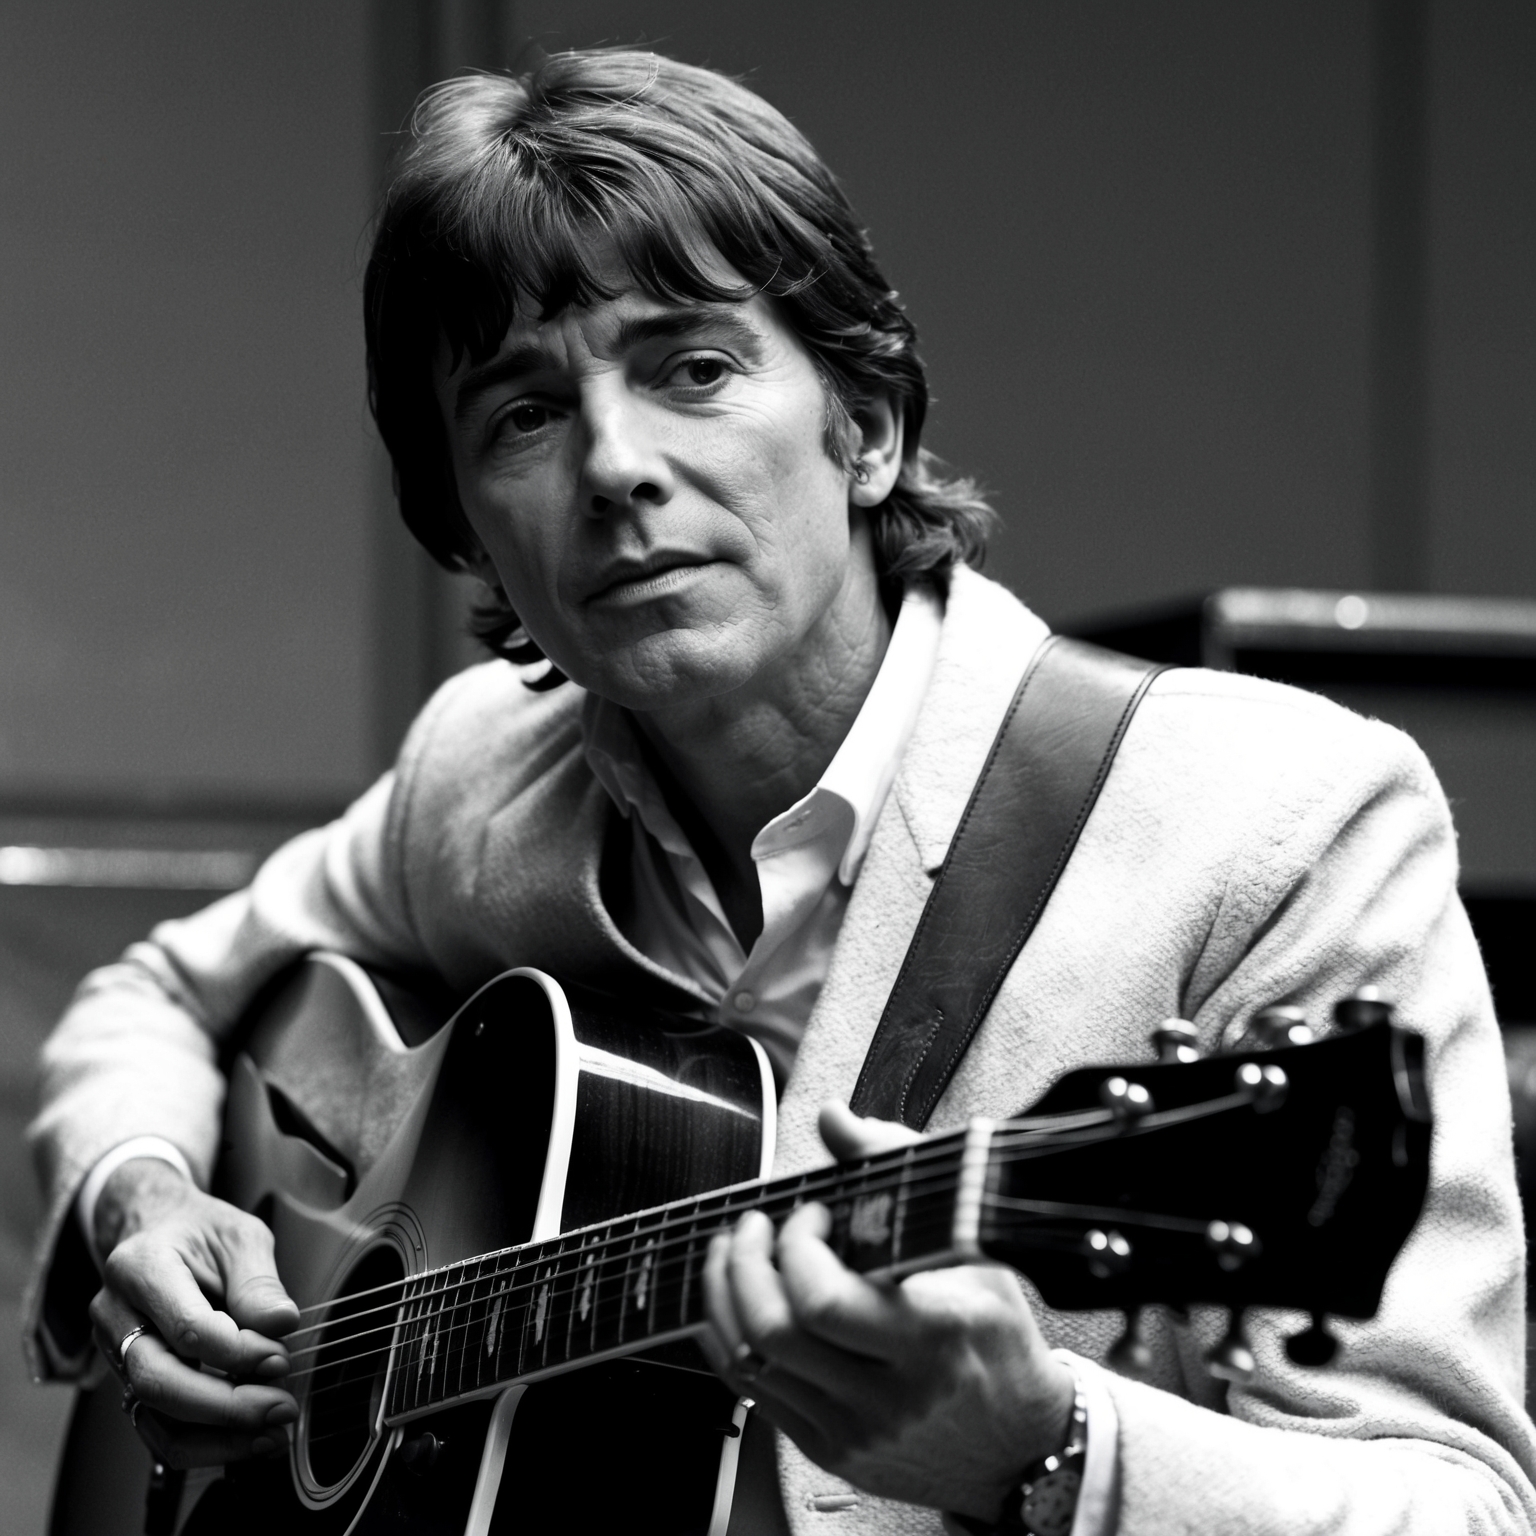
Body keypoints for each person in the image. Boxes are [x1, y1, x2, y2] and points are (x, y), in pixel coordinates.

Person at [26, 48, 1536, 1536]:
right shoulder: (484, 781)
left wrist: (1049, 1451)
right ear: (476, 540)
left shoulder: (1279, 823)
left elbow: (1455, 1505)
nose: (616, 466)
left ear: (865, 429)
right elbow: (155, 996)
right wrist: (143, 1201)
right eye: (524, 416)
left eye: (692, 367)